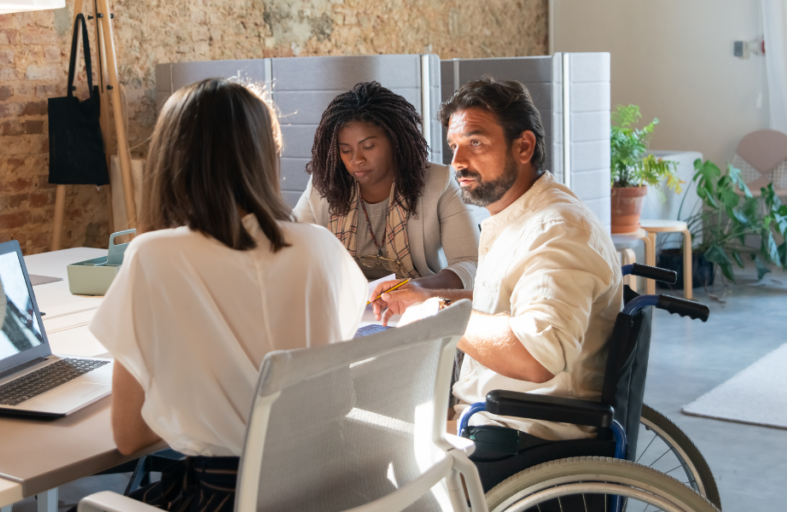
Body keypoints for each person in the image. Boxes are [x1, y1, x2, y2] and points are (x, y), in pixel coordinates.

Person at [88, 78, 368, 512]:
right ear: (264, 155)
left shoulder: (154, 256)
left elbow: (128, 436)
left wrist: (207, 409)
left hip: (229, 499)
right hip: (329, 489)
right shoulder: (320, 247)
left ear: (170, 157)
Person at [371, 77, 623, 445]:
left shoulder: (558, 229)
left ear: (524, 146)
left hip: (523, 435)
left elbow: (536, 355)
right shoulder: (524, 216)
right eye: (454, 147)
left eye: (476, 143)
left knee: (366, 447)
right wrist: (427, 297)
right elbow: (506, 306)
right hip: (493, 417)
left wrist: (439, 314)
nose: (457, 162)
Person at [293, 81, 479, 289]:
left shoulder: (439, 182)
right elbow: (292, 252)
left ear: (395, 140)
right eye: (345, 150)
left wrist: (417, 288)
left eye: (368, 146)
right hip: (346, 306)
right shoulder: (324, 186)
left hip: (416, 305)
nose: (357, 159)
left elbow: (471, 264)